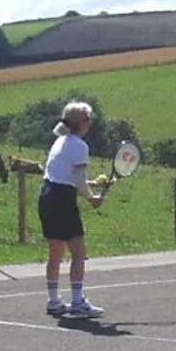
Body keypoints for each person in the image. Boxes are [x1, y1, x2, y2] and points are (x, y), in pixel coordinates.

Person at [40, 100, 107, 318]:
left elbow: (66, 175)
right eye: (89, 119)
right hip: (62, 200)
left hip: (47, 197)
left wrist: (93, 185)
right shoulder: (80, 146)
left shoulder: (59, 141)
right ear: (83, 123)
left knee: (56, 252)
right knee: (79, 252)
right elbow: (77, 179)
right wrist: (92, 198)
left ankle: (53, 301)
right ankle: (78, 303)